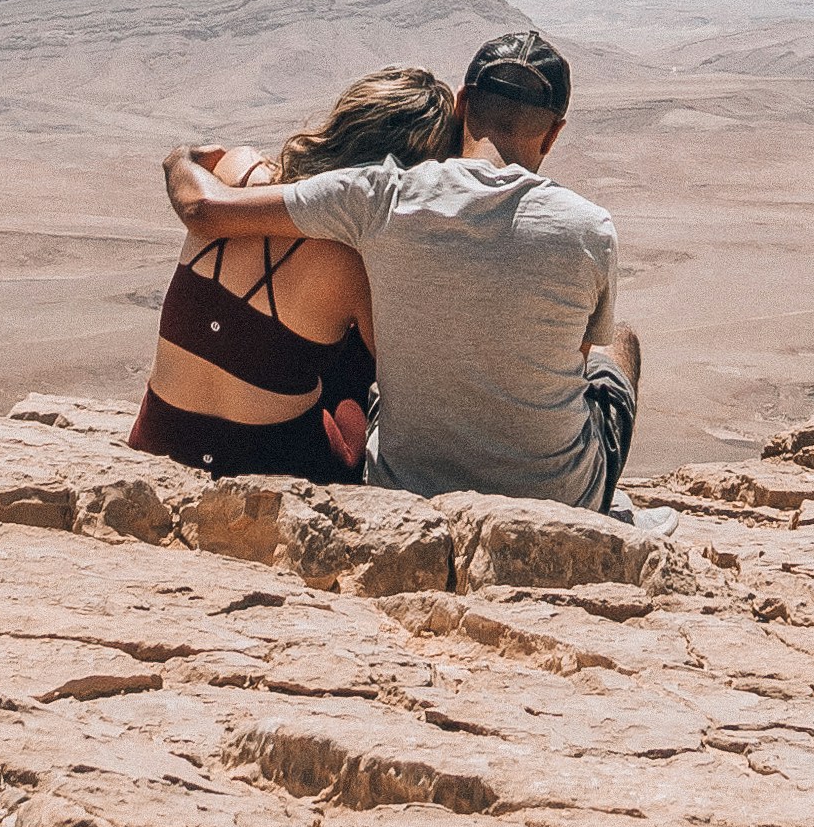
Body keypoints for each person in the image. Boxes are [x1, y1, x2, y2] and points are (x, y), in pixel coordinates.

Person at [161, 27, 640, 510]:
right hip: (559, 498)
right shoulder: (591, 228)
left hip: (405, 484)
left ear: (461, 103)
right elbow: (574, 367)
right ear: (555, 133)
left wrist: (181, 157)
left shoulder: (379, 195)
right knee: (618, 346)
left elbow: (203, 208)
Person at [126, 63, 458, 482]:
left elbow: (199, 200)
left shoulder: (239, 169)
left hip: (158, 438)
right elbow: (403, 380)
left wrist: (180, 157)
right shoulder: (355, 264)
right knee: (356, 357)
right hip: (269, 466)